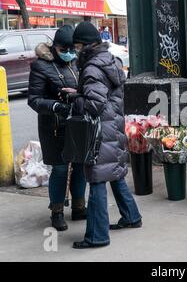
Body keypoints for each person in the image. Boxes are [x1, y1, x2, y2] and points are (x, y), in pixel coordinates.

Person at [70, 21, 142, 249]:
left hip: (100, 131)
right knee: (115, 173)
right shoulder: (109, 60)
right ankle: (131, 216)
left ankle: (97, 236)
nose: (75, 50)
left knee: (98, 178)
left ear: (84, 45)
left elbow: (94, 103)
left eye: (77, 45)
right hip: (113, 126)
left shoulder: (91, 67)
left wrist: (75, 98)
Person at [28, 25, 87, 231]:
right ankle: (57, 211)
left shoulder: (77, 62)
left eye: (72, 49)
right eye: (64, 49)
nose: (69, 53)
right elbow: (34, 100)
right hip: (53, 125)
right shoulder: (40, 66)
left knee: (80, 166)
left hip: (78, 122)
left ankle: (79, 206)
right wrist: (55, 106)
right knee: (61, 169)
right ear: (55, 47)